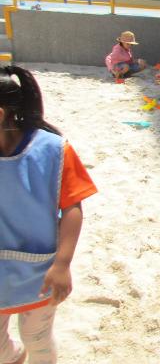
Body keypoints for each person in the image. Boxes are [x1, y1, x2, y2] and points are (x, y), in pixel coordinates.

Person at [0, 66, 97, 364]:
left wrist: (62, 264)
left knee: (37, 338)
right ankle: (14, 357)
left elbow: (72, 207)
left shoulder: (52, 150)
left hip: (40, 271)